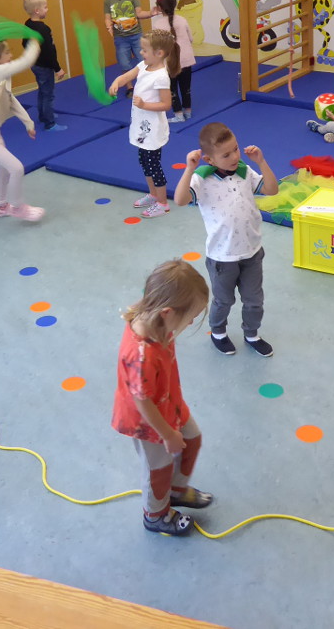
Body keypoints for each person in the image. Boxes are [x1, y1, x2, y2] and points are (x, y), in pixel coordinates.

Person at [111, 259, 213, 537]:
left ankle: (176, 492)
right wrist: (167, 434)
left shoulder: (156, 316)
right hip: (148, 422)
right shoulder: (142, 354)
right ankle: (155, 515)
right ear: (167, 312)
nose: (191, 322)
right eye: (190, 316)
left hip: (169, 401)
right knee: (159, 467)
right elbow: (142, 402)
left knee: (192, 439)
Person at [173, 121, 279, 356]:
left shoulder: (244, 171)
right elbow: (180, 200)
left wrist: (261, 162)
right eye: (226, 154)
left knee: (254, 300)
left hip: (252, 251)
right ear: (209, 160)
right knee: (224, 301)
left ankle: (252, 333)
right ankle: (218, 331)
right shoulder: (202, 179)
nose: (234, 156)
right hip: (222, 256)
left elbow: (272, 190)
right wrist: (189, 169)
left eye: (236, 149)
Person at [0, 36, 46, 220]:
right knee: (16, 168)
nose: (11, 55)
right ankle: (18, 207)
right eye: (7, 53)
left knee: (2, 171)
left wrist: (28, 122)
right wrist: (35, 41)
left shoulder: (2, 77)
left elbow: (11, 100)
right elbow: (26, 61)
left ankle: (0, 206)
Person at [109, 31, 178, 219]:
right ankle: (153, 194)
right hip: (141, 126)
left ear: (160, 53)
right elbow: (127, 76)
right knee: (144, 162)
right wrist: (116, 83)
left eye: (145, 50)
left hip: (153, 129)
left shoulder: (161, 76)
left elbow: (166, 104)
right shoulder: (143, 66)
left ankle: (162, 203)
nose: (141, 53)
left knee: (153, 165)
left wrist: (144, 105)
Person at [103, 0, 153, 94]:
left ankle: (145, 84)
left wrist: (150, 13)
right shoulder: (108, 0)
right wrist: (108, 25)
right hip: (121, 38)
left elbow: (139, 13)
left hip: (136, 35)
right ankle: (129, 87)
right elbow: (107, 17)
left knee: (143, 59)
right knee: (124, 62)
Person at [23, 0, 67, 132]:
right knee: (48, 93)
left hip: (35, 65)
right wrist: (57, 68)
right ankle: (50, 123)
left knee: (42, 91)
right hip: (45, 66)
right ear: (37, 10)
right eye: (46, 7)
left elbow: (24, 43)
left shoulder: (27, 24)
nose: (47, 9)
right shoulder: (43, 29)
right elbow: (49, 52)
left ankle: (43, 115)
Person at [152, 0, 195, 122]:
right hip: (186, 60)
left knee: (172, 89)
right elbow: (191, 39)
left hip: (170, 63)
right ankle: (188, 111)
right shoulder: (182, 20)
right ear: (175, 4)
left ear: (159, 8)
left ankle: (178, 114)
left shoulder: (158, 24)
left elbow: (156, 46)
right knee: (186, 88)